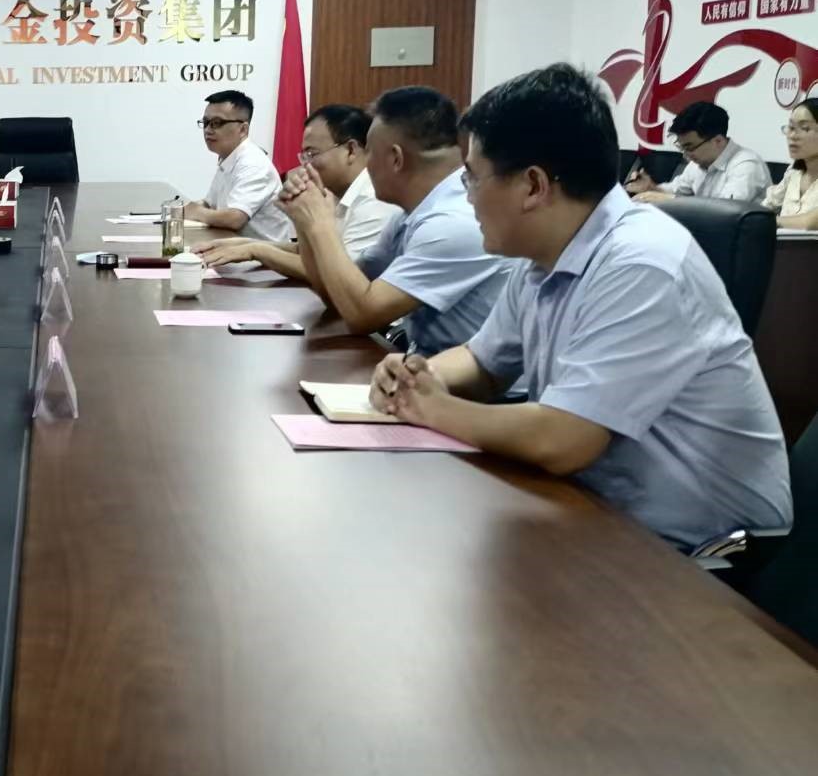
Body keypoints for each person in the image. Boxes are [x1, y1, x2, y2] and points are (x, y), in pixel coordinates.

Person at [371, 63, 790, 551]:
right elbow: (483, 363)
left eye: (473, 179)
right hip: (593, 512)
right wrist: (418, 376)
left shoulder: (643, 262)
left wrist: (432, 408)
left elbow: (563, 440)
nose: (468, 199)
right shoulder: (543, 256)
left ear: (533, 186)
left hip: (700, 555)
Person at [282, 86, 508, 354]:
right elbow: (338, 294)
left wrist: (320, 223)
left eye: (369, 153)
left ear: (396, 159)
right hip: (426, 364)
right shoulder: (411, 214)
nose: (365, 166)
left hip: (472, 378)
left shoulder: (452, 222)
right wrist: (304, 222)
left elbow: (362, 315)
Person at [198, 103, 397, 278]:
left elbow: (341, 275)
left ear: (351, 150)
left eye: (312, 153)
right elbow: (307, 251)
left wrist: (256, 251)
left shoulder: (374, 199)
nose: (305, 165)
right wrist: (244, 245)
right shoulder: (336, 193)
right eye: (304, 155)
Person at [183, 89, 292, 240]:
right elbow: (209, 204)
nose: (208, 130)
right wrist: (182, 209)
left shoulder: (253, 164)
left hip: (262, 253)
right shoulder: (229, 157)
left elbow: (235, 218)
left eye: (216, 123)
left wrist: (196, 212)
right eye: (206, 123)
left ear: (243, 129)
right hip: (234, 247)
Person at [627, 101, 770, 204]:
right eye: (682, 147)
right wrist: (651, 188)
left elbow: (724, 211)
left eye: (689, 147)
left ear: (718, 141)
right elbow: (676, 190)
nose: (685, 155)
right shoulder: (698, 163)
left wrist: (671, 200)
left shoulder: (747, 165)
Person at [764, 98, 818, 229]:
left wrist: (766, 221)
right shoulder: (793, 172)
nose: (793, 135)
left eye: (804, 128)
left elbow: (809, 223)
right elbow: (767, 206)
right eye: (791, 127)